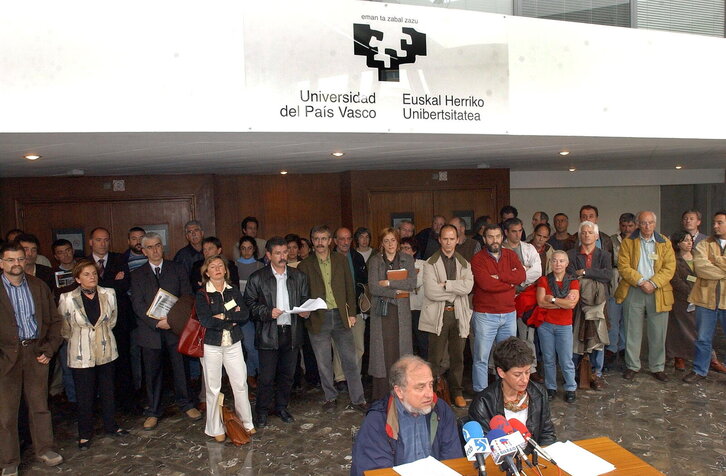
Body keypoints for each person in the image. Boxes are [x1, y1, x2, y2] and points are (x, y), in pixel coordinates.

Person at [0, 242, 64, 474]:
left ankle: (45, 449)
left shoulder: (38, 286)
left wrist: (49, 349)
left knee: (39, 406)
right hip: (6, 356)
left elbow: (55, 321)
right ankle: (9, 461)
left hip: (36, 353)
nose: (16, 264)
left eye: (20, 259)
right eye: (10, 260)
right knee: (6, 413)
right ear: (1, 263)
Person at [130, 232, 200, 430]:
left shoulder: (177, 268)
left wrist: (171, 321)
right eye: (150, 247)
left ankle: (187, 404)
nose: (155, 250)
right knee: (152, 373)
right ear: (144, 251)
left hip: (174, 328)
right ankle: (153, 411)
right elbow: (137, 304)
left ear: (163, 247)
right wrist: (156, 323)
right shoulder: (137, 274)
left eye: (158, 245)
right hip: (150, 331)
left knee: (181, 369)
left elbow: (187, 297)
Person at [350, 355, 463, 476]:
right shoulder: (378, 421)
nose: (430, 394)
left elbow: (453, 460)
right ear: (399, 391)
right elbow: (377, 471)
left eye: (430, 384)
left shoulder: (441, 410)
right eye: (420, 387)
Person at [58, 260, 128, 450]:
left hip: (106, 349)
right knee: (84, 394)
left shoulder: (109, 293)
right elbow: (64, 328)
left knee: (108, 390)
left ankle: (111, 426)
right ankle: (85, 434)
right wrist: (81, 340)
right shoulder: (67, 298)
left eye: (94, 274)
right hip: (81, 352)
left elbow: (112, 320)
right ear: (77, 279)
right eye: (87, 274)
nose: (92, 277)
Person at [297, 225, 367, 413]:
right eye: (316, 239)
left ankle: (358, 399)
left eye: (323, 238)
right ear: (312, 241)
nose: (320, 242)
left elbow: (349, 288)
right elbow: (301, 293)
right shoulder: (305, 265)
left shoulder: (341, 260)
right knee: (323, 362)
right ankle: (330, 397)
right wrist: (304, 310)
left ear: (330, 241)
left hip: (340, 315)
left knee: (350, 360)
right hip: (317, 317)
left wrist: (352, 313)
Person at [244, 238, 310, 427]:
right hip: (268, 332)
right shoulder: (257, 277)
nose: (283, 256)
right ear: (268, 255)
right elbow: (248, 304)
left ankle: (281, 407)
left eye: (285, 252)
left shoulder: (299, 276)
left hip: (292, 331)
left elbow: (305, 299)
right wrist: (267, 312)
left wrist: (306, 311)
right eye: (278, 253)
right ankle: (262, 411)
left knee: (287, 375)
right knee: (266, 377)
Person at [196, 255, 255, 441]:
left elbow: (244, 314)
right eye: (212, 267)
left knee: (240, 383)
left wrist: (223, 317)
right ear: (207, 272)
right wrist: (231, 318)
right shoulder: (202, 294)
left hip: (233, 343)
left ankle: (247, 422)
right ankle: (215, 428)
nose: (217, 269)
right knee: (213, 388)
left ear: (225, 270)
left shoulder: (233, 290)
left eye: (220, 266)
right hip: (211, 345)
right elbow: (206, 321)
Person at [615, 211, 675, 382]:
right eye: (643, 223)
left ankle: (657, 367)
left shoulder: (664, 242)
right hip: (634, 288)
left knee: (658, 331)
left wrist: (653, 283)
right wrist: (641, 281)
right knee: (631, 329)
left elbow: (670, 267)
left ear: (655, 224)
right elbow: (623, 266)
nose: (647, 226)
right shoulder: (628, 242)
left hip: (658, 290)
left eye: (650, 223)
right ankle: (632, 365)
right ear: (638, 224)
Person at [419, 224, 474, 408]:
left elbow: (468, 287)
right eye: (445, 239)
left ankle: (456, 392)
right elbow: (431, 291)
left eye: (452, 239)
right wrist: (456, 291)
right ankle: (432, 393)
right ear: (439, 240)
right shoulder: (430, 263)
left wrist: (447, 285)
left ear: (457, 240)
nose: (448, 242)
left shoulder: (464, 263)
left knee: (458, 356)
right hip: (438, 315)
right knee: (435, 358)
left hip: (458, 314)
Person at [468, 337, 556, 445]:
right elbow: (485, 445)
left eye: (527, 372)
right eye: (517, 374)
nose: (525, 379)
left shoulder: (539, 393)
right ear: (501, 372)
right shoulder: (483, 403)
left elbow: (547, 434)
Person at [470, 224, 526, 393]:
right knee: (481, 358)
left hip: (508, 314)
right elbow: (486, 284)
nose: (494, 240)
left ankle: (504, 391)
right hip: (485, 314)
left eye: (497, 236)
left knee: (507, 357)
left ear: (502, 237)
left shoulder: (510, 255)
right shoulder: (478, 259)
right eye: (490, 237)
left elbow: (521, 276)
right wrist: (509, 283)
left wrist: (500, 276)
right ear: (484, 239)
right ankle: (481, 393)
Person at [367, 227, 416, 401]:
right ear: (381, 243)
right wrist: (396, 292)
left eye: (393, 240)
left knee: (401, 352)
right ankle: (382, 397)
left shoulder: (407, 259)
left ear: (398, 242)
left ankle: (402, 395)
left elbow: (411, 284)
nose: (390, 244)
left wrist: (388, 283)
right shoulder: (375, 261)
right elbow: (373, 288)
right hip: (382, 314)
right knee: (383, 354)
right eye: (386, 241)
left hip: (401, 313)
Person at [567, 221, 612, 390]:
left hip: (598, 303)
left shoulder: (604, 255)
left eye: (590, 232)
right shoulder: (571, 254)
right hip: (577, 303)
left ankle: (596, 374)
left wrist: (585, 272)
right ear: (580, 235)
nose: (586, 235)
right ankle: (574, 373)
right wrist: (594, 277)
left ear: (597, 236)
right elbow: (570, 276)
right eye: (584, 232)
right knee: (576, 337)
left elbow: (607, 275)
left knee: (598, 337)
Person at [683, 210, 726, 383]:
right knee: (702, 338)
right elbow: (701, 268)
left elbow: (709, 267)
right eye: (714, 222)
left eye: (719, 223)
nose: (715, 226)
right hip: (705, 299)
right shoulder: (704, 244)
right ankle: (700, 370)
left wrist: (716, 260)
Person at [537, 251, 580, 402]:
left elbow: (572, 305)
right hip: (546, 325)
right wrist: (563, 303)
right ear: (550, 262)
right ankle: (551, 387)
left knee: (566, 359)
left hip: (564, 326)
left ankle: (570, 388)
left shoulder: (573, 281)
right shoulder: (544, 280)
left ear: (567, 264)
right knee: (548, 358)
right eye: (555, 260)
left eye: (561, 261)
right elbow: (541, 302)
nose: (558, 264)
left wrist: (553, 299)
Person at [332, 227, 368, 392]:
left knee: (358, 345)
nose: (345, 242)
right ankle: (340, 377)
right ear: (335, 241)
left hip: (356, 308)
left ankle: (354, 376)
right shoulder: (329, 258)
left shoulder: (357, 257)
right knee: (339, 345)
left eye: (348, 239)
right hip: (336, 308)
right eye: (342, 239)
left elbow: (364, 281)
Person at [605, 213, 636, 370]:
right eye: (624, 226)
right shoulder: (612, 240)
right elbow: (610, 259)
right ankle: (612, 348)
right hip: (615, 281)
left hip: (633, 282)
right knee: (613, 317)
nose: (627, 229)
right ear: (619, 225)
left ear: (635, 226)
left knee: (628, 319)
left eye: (630, 226)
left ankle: (624, 348)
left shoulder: (639, 240)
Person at [665, 232, 697, 372]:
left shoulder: (698, 256)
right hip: (681, 298)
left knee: (696, 328)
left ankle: (697, 355)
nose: (689, 243)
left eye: (690, 240)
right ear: (678, 243)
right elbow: (675, 279)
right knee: (679, 329)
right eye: (685, 241)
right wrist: (690, 292)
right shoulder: (674, 259)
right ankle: (678, 356)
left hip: (699, 298)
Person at [235, 236, 263, 388]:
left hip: (257, 311)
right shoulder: (234, 266)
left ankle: (252, 373)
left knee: (255, 345)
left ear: (254, 249)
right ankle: (260, 374)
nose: (246, 251)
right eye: (243, 248)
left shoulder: (260, 266)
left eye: (249, 248)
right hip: (240, 312)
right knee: (248, 345)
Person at [400, 237, 428, 359]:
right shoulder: (396, 265)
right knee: (407, 343)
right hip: (403, 308)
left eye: (407, 248)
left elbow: (415, 283)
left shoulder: (423, 264)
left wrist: (403, 281)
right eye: (401, 248)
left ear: (414, 251)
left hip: (419, 308)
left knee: (422, 342)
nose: (403, 251)